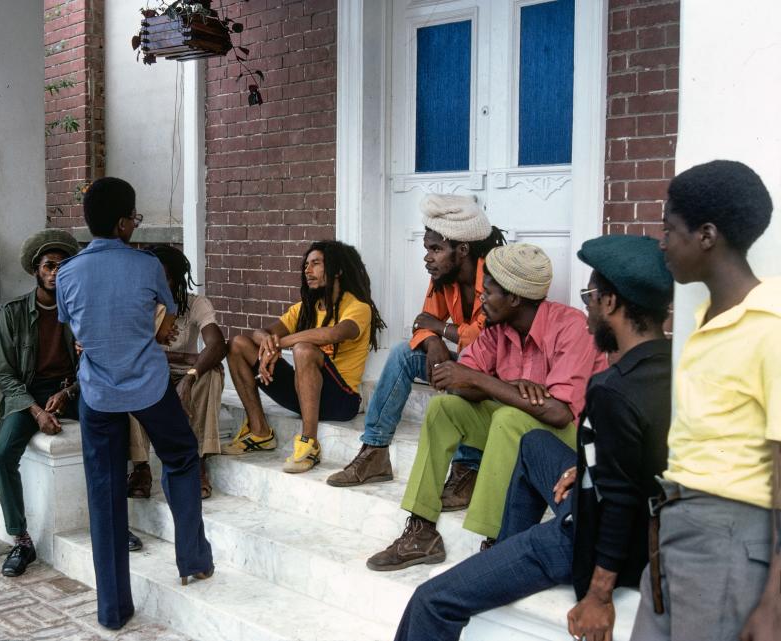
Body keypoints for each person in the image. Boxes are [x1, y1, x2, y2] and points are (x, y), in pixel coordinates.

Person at [393, 234, 674, 641]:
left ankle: (500, 553)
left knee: (429, 600)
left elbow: (617, 502)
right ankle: (499, 544)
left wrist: (598, 595)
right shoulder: (674, 370)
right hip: (604, 501)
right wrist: (591, 466)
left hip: (583, 536)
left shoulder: (612, 388)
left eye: (590, 295)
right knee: (531, 443)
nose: (586, 306)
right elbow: (642, 470)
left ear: (610, 302)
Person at [367, 243, 606, 571]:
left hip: (568, 443)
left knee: (509, 417)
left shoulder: (571, 326)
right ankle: (421, 531)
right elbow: (453, 379)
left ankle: (497, 541)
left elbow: (559, 412)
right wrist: (503, 387)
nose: (481, 299)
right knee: (444, 409)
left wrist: (486, 383)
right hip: (520, 426)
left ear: (515, 298)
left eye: (489, 292)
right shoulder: (497, 331)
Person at [630, 160, 780, 641]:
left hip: (729, 540)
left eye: (669, 229)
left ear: (707, 235)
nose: (662, 242)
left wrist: (774, 605)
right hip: (675, 529)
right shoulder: (705, 319)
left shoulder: (770, 329)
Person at [55, 177, 213, 630]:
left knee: (104, 492)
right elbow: (162, 315)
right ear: (124, 223)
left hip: (98, 394)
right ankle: (193, 560)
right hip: (149, 386)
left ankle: (113, 610)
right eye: (135, 218)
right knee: (181, 457)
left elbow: (74, 328)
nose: (135, 224)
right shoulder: (147, 267)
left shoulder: (67, 273)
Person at [328, 193, 505, 513]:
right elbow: (422, 324)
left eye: (436, 249)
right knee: (402, 354)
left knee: (464, 367)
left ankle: (468, 471)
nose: (428, 258)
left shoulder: (495, 276)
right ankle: (375, 452)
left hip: (498, 378)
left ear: (462, 249)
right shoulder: (444, 279)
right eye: (427, 249)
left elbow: (485, 339)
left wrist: (441, 330)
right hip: (468, 360)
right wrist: (434, 339)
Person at [0, 229, 142, 578]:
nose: (56, 272)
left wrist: (69, 393)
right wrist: (38, 411)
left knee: (111, 431)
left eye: (63, 266)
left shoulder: (82, 312)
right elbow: (6, 376)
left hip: (75, 390)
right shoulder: (13, 315)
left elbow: (99, 362)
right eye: (49, 266)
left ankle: (114, 525)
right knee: (1, 456)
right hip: (26, 396)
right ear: (36, 271)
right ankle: (21, 540)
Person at [223, 240, 386, 473]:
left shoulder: (358, 307)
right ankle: (259, 432)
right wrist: (269, 343)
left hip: (341, 400)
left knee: (304, 349)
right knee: (238, 344)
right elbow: (261, 333)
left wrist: (280, 346)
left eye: (316, 264)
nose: (307, 270)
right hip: (304, 394)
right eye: (306, 265)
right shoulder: (305, 308)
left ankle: (309, 443)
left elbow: (334, 333)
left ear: (337, 270)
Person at [127, 245, 227, 500]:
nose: (158, 286)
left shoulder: (195, 303)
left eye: (165, 279)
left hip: (184, 372)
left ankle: (199, 463)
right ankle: (141, 468)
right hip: (150, 371)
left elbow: (217, 345)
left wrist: (190, 376)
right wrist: (181, 355)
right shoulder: (138, 304)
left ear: (177, 280)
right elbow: (131, 351)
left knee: (211, 373)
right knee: (128, 380)